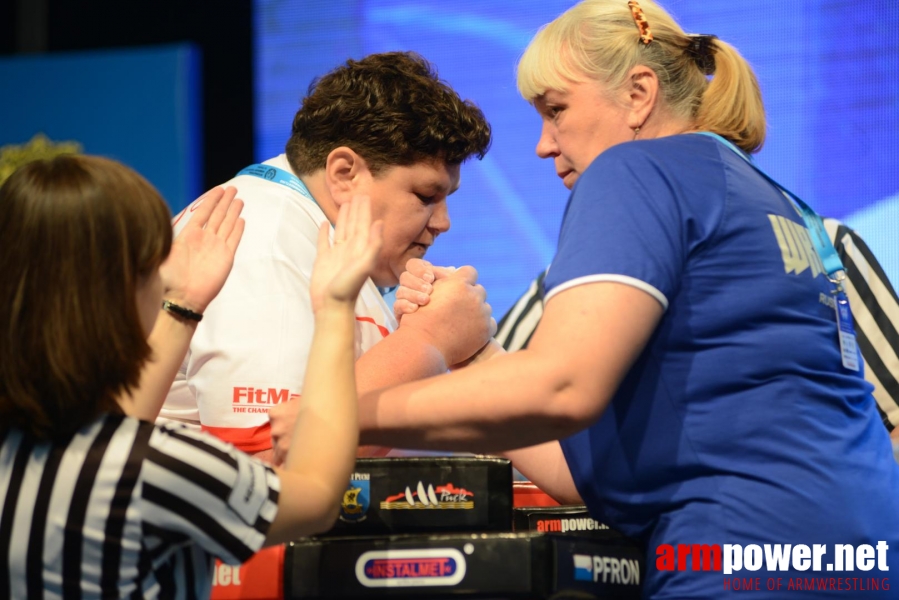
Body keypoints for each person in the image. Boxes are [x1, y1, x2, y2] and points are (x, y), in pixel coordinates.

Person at [360, 1, 899, 597]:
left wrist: (342, 415)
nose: (543, 144)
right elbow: (577, 471)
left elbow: (563, 387)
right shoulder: (774, 197)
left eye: (556, 111)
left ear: (639, 94)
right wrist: (476, 353)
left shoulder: (636, 170)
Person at [0, 155, 383, 598]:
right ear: (118, 295)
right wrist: (335, 306)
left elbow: (113, 429)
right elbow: (315, 497)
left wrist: (183, 306)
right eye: (154, 267)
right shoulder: (154, 469)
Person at [159, 51, 495, 464]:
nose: (442, 222)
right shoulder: (265, 245)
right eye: (426, 196)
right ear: (344, 174)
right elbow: (269, 466)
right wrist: (427, 341)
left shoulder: (301, 227)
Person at [490, 216, 899, 447]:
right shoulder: (572, 279)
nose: (545, 145)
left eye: (558, 110)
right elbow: (492, 438)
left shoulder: (824, 247)